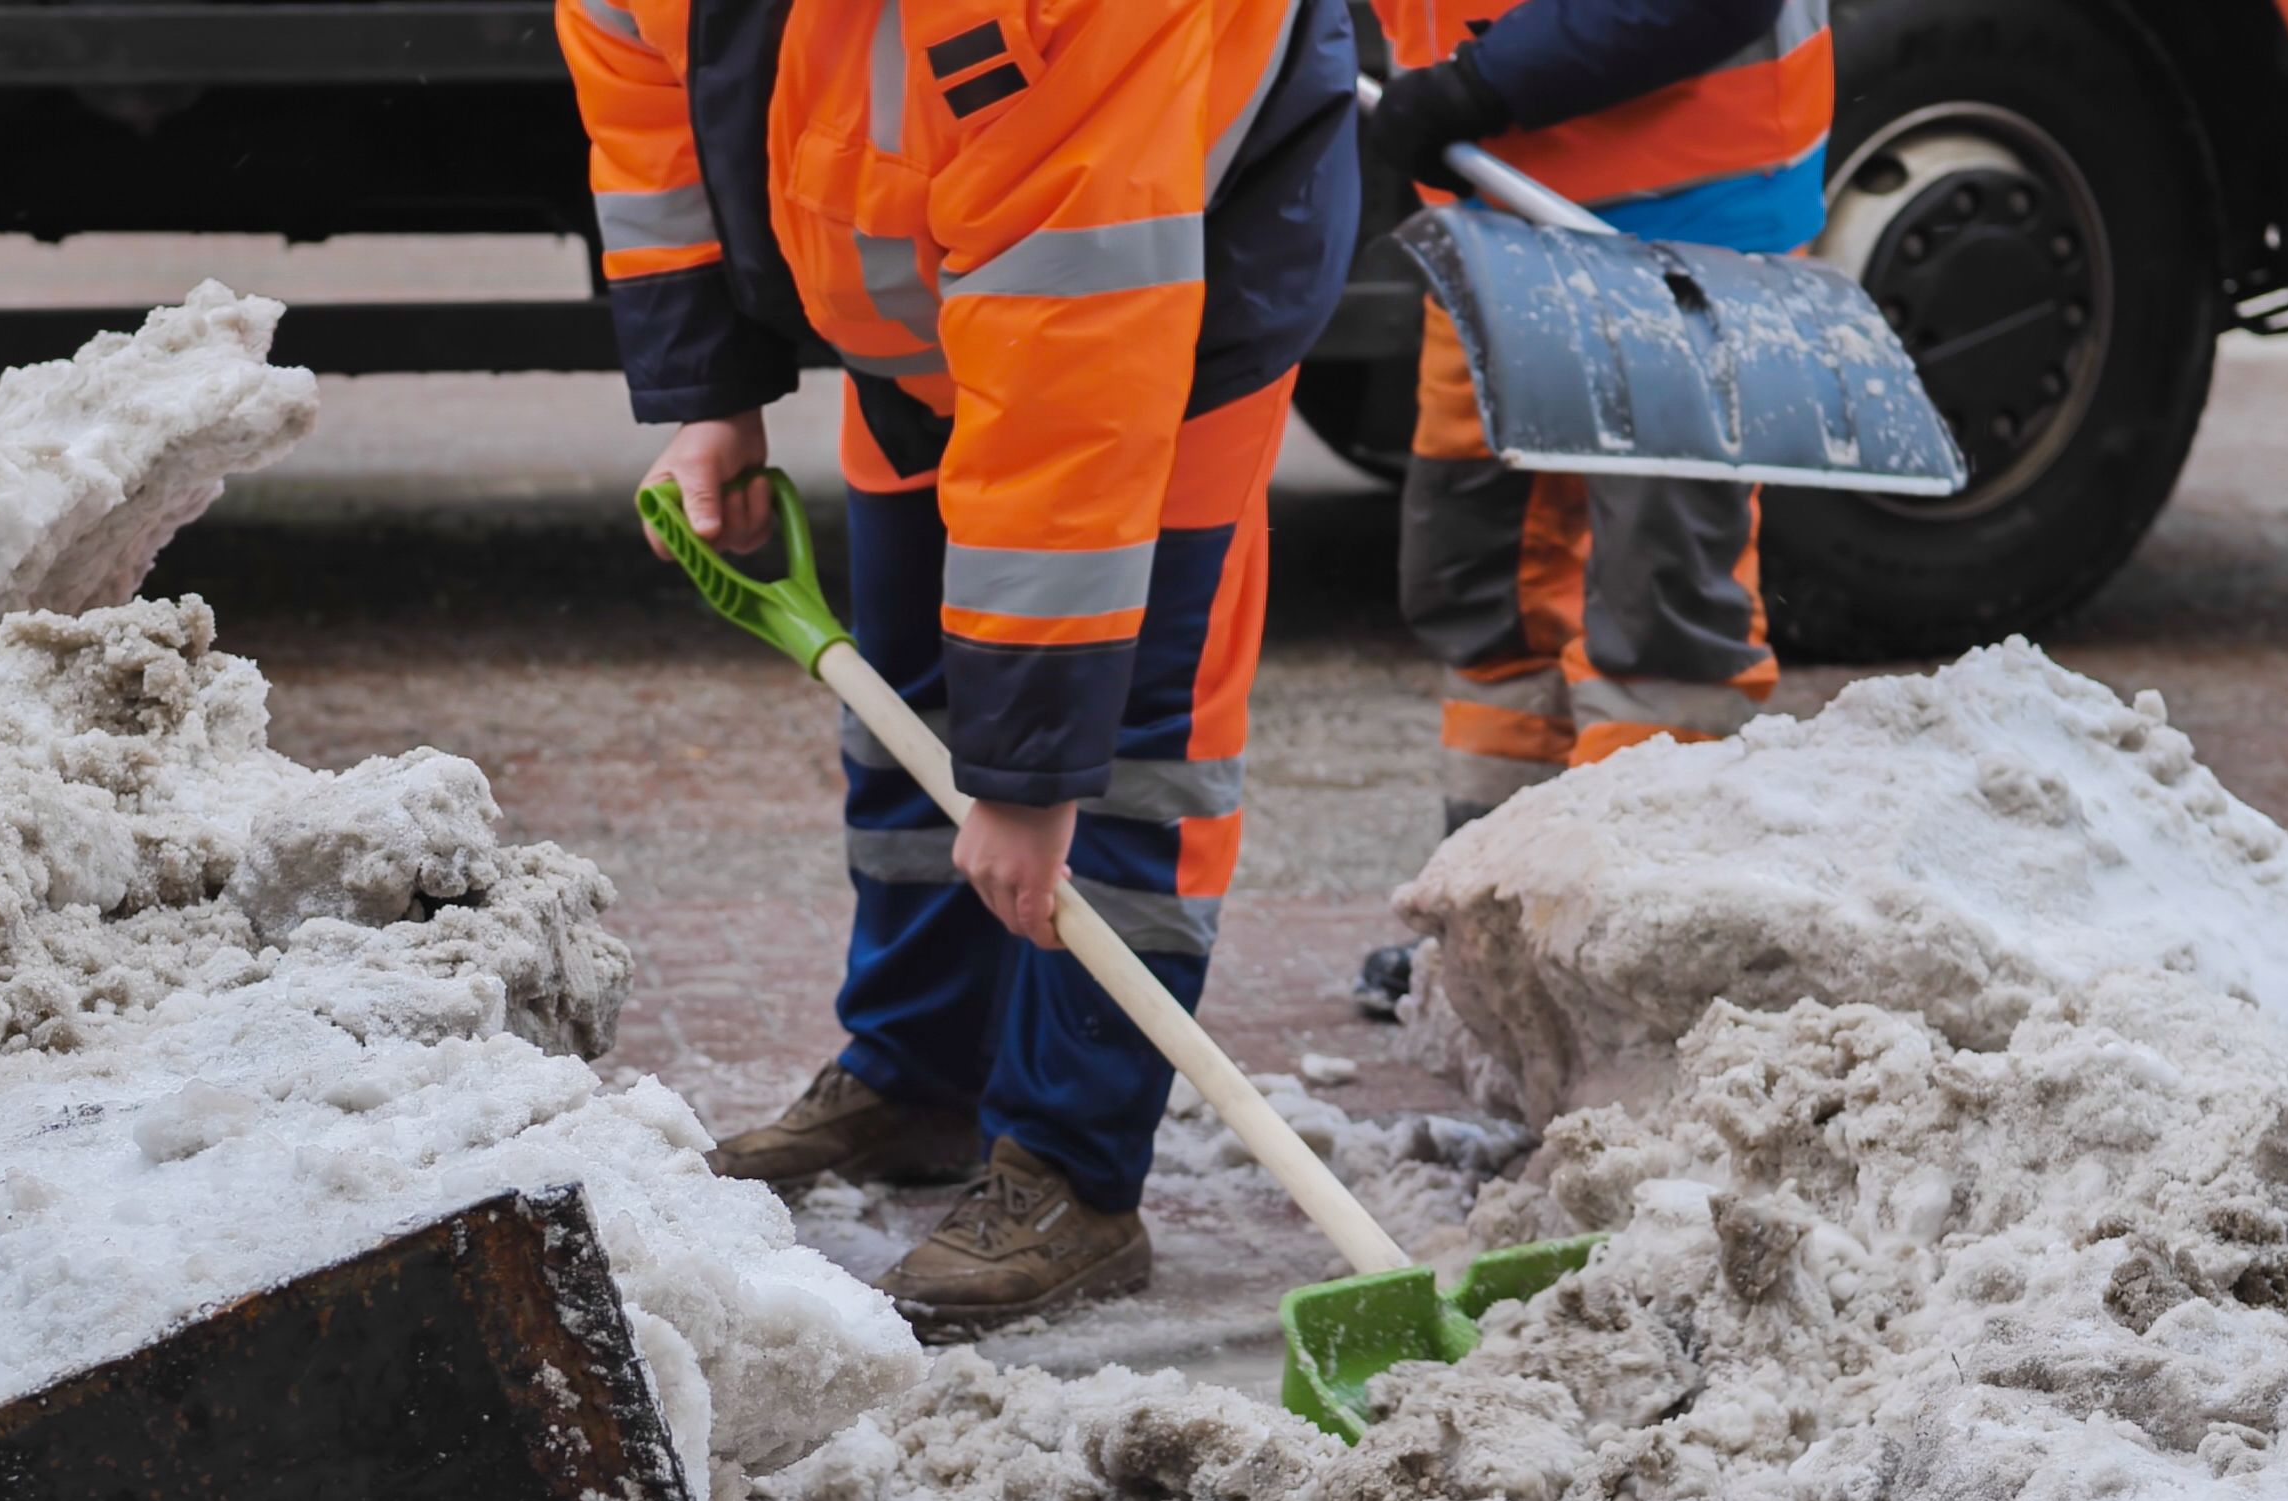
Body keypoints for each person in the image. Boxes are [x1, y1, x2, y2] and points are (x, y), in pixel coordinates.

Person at [560, 0, 1359, 1336]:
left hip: (1162, 310)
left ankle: (1073, 1172)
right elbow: (652, 116)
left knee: (1122, 757)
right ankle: (921, 1073)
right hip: (924, 307)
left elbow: (1071, 382)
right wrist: (716, 394)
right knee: (908, 694)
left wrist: (1035, 777)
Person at [1352, 0, 1832, 1018]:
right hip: (1486, 205)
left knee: (1660, 599)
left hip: (1686, 213)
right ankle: (1488, 913)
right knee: (1481, 576)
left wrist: (1478, 86)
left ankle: (1641, 930)